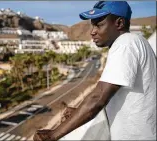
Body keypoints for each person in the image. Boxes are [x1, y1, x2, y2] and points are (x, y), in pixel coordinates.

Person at [33, 1, 156, 140]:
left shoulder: (125, 43)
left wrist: (53, 134)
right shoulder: (137, 41)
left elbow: (98, 97)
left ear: (119, 23)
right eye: (92, 25)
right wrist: (77, 112)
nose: (92, 31)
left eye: (99, 24)